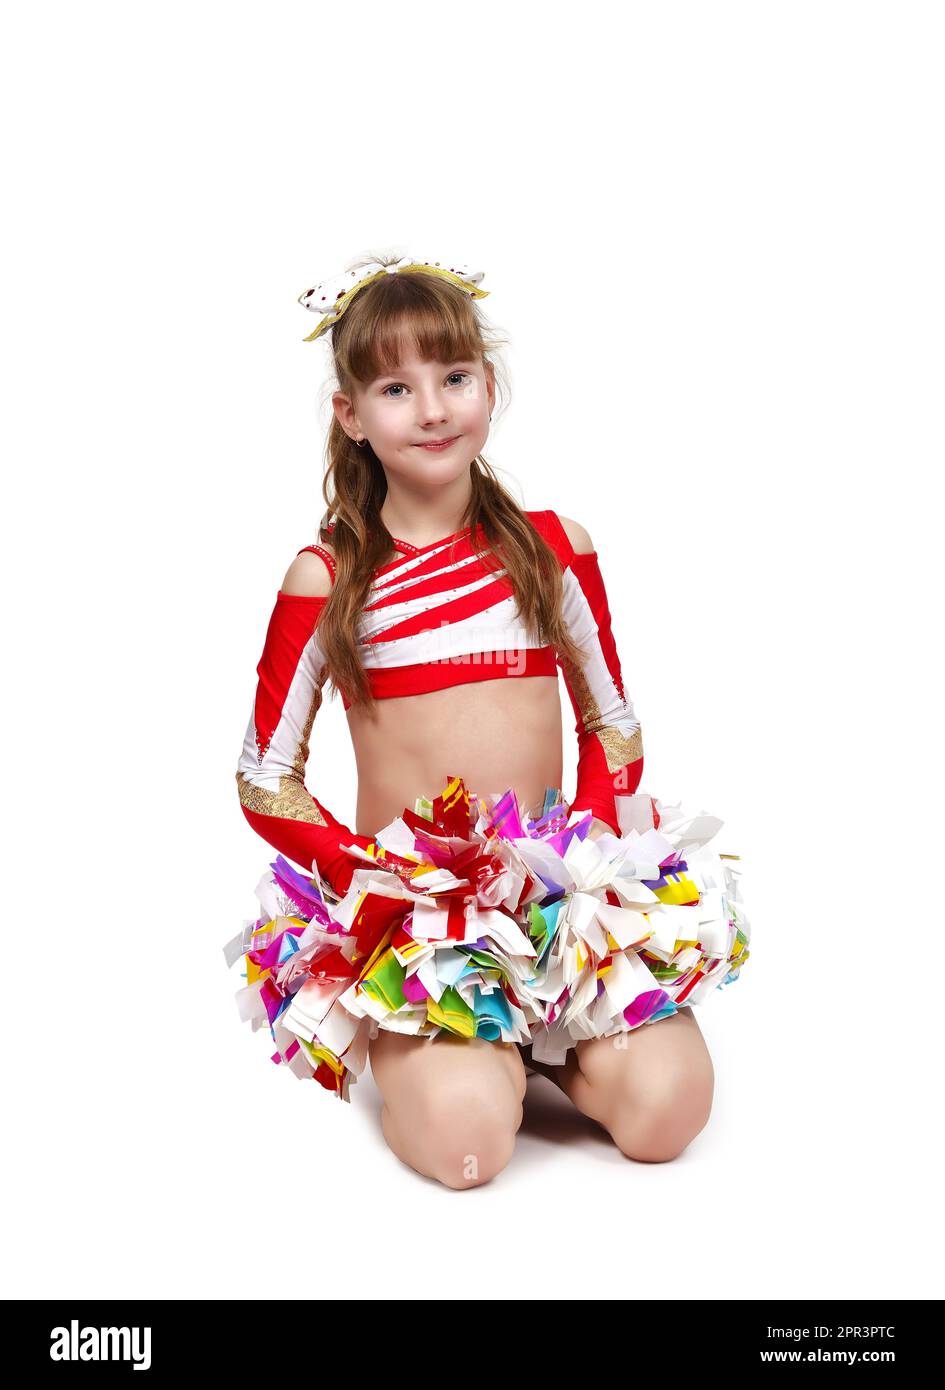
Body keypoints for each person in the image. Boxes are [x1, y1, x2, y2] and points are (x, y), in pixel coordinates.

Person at [228, 252, 750, 1189]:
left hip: (556, 904)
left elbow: (613, 723)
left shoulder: (552, 551)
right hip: (423, 922)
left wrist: (585, 867)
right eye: (396, 387)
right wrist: (374, 877)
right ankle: (475, 1056)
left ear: (489, 387)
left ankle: (541, 1036)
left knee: (670, 1115)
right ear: (349, 415)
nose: (432, 410)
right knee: (468, 1147)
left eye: (453, 377)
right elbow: (266, 774)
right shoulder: (329, 577)